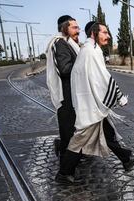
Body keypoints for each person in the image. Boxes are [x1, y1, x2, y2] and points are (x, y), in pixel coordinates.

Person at [55, 21, 134, 184]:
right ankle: (64, 172)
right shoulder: (91, 51)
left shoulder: (89, 49)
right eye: (105, 32)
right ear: (94, 33)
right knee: (80, 138)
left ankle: (126, 158)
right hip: (90, 104)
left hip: (90, 103)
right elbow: (102, 78)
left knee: (106, 131)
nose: (108, 36)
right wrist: (119, 96)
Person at [46, 15, 80, 159]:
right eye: (74, 27)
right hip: (66, 94)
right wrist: (83, 65)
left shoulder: (70, 43)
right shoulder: (60, 43)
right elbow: (65, 69)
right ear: (64, 28)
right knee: (67, 129)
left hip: (74, 92)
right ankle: (66, 165)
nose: (78, 30)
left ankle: (67, 153)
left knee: (73, 127)